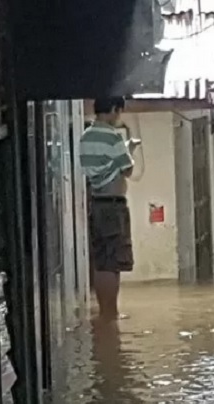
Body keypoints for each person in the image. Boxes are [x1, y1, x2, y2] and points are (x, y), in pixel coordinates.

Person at [80, 97, 142, 322]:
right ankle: (111, 314)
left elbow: (102, 166)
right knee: (113, 261)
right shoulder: (112, 136)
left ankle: (105, 313)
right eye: (119, 112)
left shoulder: (86, 136)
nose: (119, 117)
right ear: (115, 109)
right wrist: (130, 150)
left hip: (96, 202)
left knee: (101, 259)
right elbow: (126, 169)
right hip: (113, 204)